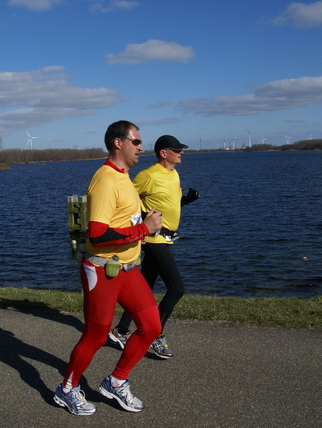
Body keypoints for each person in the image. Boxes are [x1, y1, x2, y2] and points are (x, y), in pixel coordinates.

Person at [54, 121, 163, 416]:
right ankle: (67, 389)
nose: (142, 146)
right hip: (102, 270)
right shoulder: (105, 179)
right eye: (136, 141)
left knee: (151, 327)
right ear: (118, 143)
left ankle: (115, 382)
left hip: (127, 269)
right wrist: (143, 229)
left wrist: (143, 223)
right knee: (96, 335)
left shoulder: (124, 176)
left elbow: (121, 221)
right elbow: (98, 235)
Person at [109, 135, 199, 359]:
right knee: (177, 288)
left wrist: (185, 200)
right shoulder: (148, 175)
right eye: (177, 149)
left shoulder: (173, 173)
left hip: (166, 238)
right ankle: (154, 334)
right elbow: (125, 198)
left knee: (146, 286)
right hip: (153, 239)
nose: (182, 152)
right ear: (163, 152)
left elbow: (168, 202)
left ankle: (120, 331)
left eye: (181, 149)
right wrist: (137, 225)